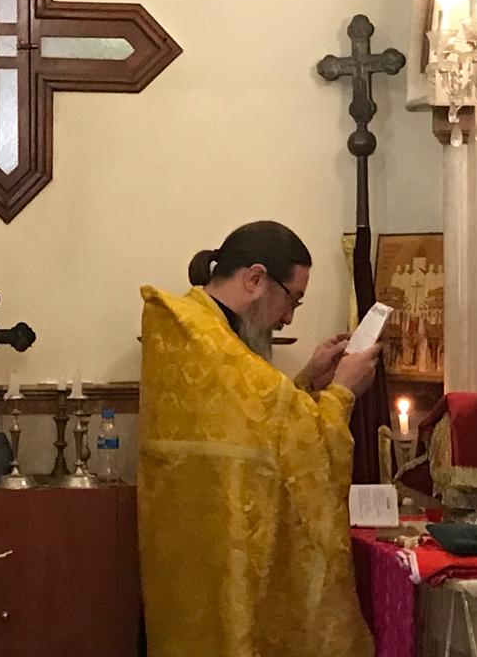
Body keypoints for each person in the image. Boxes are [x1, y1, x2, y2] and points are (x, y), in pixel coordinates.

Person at [138, 220, 381, 657]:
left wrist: (309, 380)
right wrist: (342, 392)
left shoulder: (200, 330)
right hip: (214, 562)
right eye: (292, 299)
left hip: (200, 562)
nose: (288, 318)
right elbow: (288, 441)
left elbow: (252, 426)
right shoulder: (203, 339)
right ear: (255, 279)